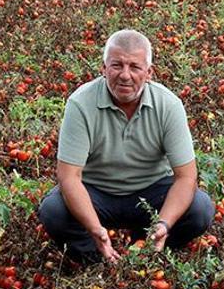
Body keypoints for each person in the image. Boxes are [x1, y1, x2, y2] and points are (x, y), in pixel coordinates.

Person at [37, 29, 214, 264]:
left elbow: (186, 177)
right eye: (116, 65)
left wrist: (163, 223)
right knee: (54, 211)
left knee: (200, 209)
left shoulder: (168, 105)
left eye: (135, 67)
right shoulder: (80, 104)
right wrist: (94, 228)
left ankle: (147, 248)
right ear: (103, 68)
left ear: (149, 72)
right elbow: (69, 177)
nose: (125, 75)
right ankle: (96, 260)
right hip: (97, 194)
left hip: (152, 192)